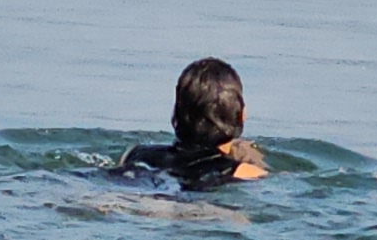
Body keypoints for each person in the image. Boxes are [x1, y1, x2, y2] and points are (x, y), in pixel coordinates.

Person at [110, 58, 270, 191]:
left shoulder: (135, 154)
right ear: (242, 114)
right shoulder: (244, 171)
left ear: (176, 113)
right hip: (195, 209)